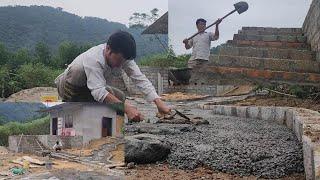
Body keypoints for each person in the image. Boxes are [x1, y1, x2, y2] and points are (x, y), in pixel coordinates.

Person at [54, 31, 171, 122]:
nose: (120, 65)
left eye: (123, 61)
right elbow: (98, 91)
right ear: (108, 49)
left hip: (91, 89)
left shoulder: (123, 57)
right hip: (69, 87)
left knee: (120, 96)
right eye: (119, 60)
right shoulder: (93, 58)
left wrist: (159, 102)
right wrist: (127, 108)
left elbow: (140, 79)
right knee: (78, 71)